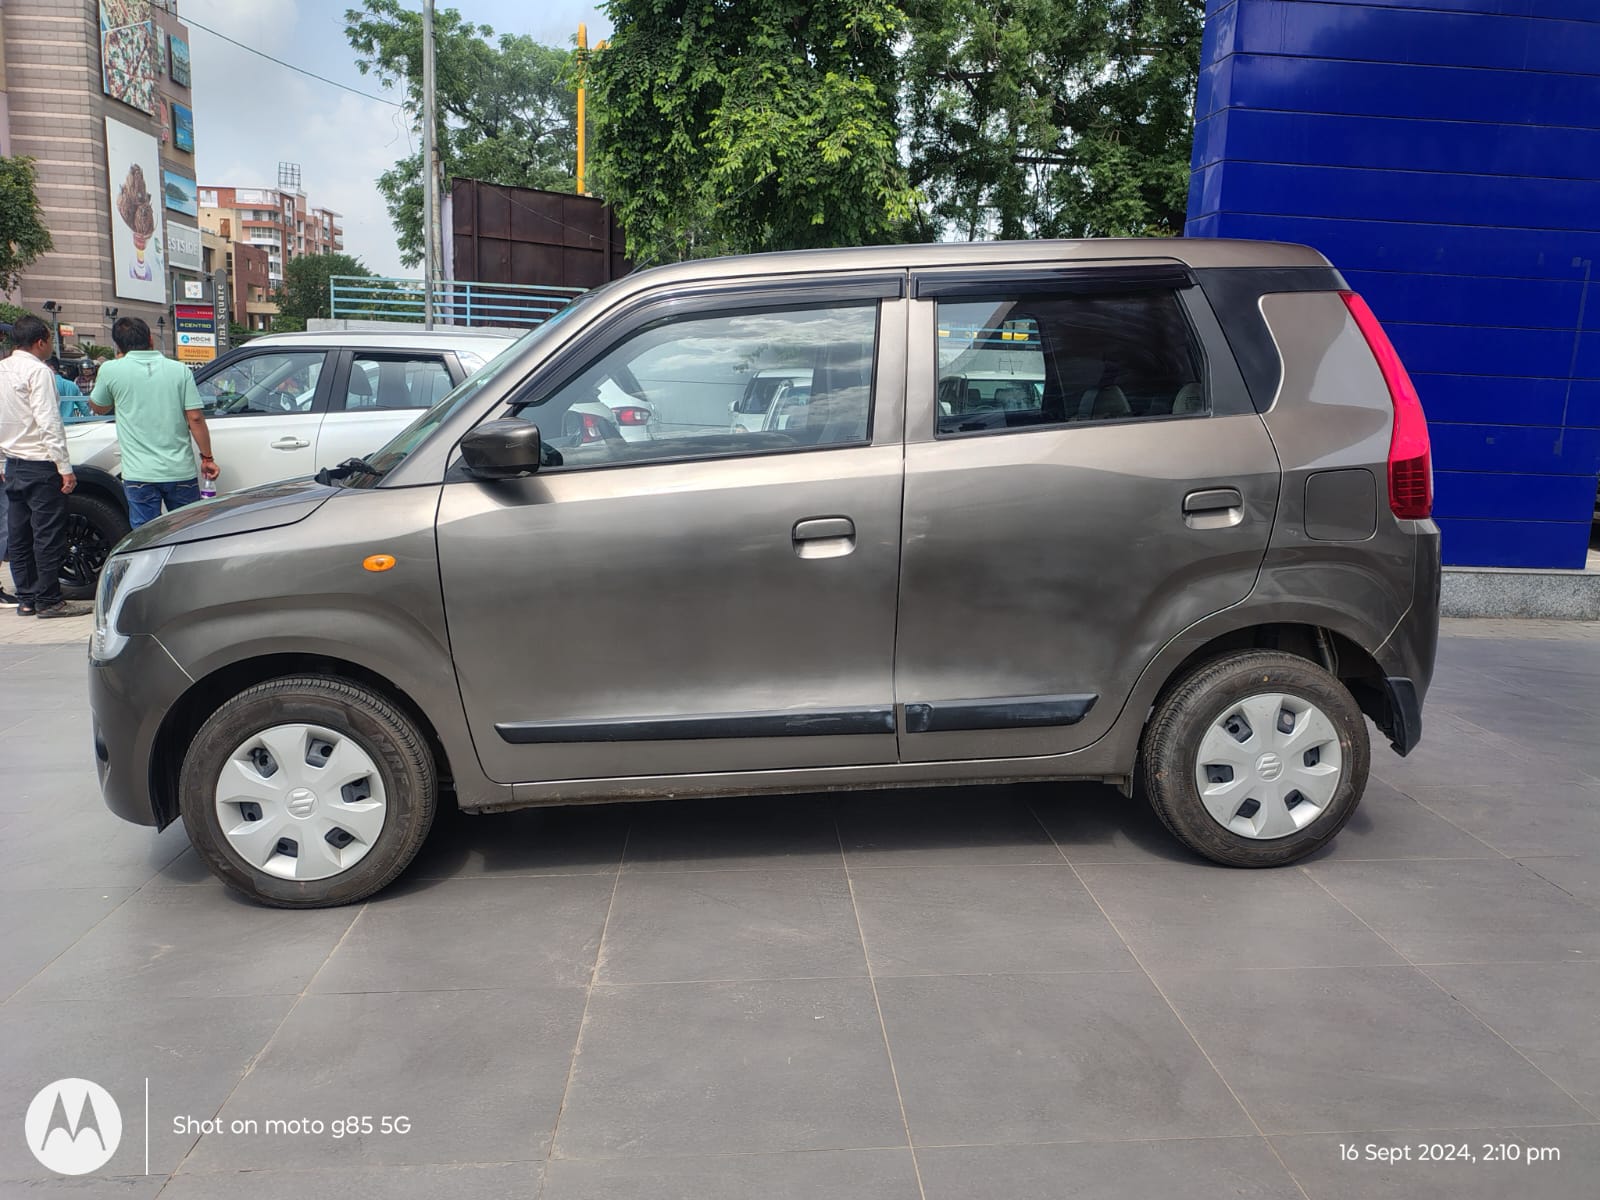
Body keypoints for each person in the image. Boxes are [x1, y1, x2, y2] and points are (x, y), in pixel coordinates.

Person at [89, 317, 220, 527]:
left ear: (118, 346)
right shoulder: (180, 370)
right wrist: (207, 458)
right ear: (151, 339)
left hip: (139, 474)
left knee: (145, 537)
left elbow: (98, 406)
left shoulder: (111, 369)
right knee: (188, 531)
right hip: (180, 471)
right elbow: (195, 418)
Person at [0, 315, 88, 617]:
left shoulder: (2, 370)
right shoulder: (38, 372)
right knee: (47, 533)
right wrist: (64, 465)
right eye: (50, 339)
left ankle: (26, 598)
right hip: (40, 462)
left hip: (12, 464)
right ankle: (49, 600)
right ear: (40, 341)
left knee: (19, 534)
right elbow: (49, 420)